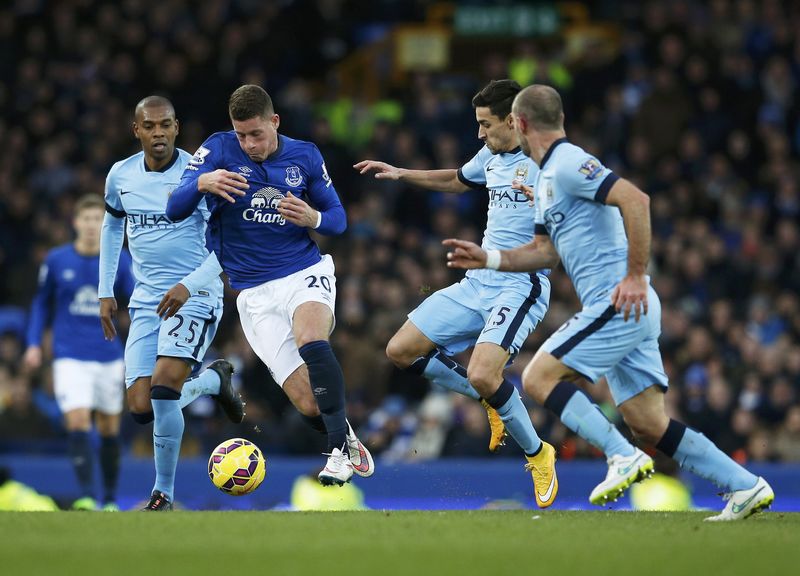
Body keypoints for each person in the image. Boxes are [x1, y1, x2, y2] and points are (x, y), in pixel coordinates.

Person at [444, 84, 775, 521]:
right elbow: (544, 252)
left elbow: (635, 199)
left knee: (539, 376)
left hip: (619, 300)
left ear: (520, 124)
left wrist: (636, 275)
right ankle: (745, 486)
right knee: (649, 424)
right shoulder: (544, 179)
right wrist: (487, 257)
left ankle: (621, 456)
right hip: (623, 307)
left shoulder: (567, 162)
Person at [354, 80, 559, 507]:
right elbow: (456, 179)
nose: (479, 134)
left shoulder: (551, 164)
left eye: (486, 125)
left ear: (513, 120)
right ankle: (491, 399)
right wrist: (401, 173)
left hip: (520, 284)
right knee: (400, 349)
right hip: (479, 280)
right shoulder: (493, 155)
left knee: (486, 373)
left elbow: (557, 250)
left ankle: (539, 454)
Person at [166, 85, 374, 486]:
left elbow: (339, 219)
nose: (248, 144)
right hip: (253, 295)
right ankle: (346, 440)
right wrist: (201, 184)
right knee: (307, 401)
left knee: (312, 338)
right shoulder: (217, 150)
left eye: (256, 134)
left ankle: (335, 455)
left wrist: (313, 217)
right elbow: (175, 208)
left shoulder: (305, 155)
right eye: (241, 135)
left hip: (302, 273)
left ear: (274, 122)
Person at [99, 96, 245, 511]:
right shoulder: (120, 175)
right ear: (137, 131)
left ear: (177, 128)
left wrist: (189, 284)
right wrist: (106, 290)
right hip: (145, 300)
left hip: (196, 296)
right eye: (150, 126)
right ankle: (214, 381)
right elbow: (112, 228)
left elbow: (229, 244)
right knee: (141, 407)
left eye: (165, 125)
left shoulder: (202, 176)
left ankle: (162, 493)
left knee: (164, 390)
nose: (158, 133)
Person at [24, 194, 135, 511]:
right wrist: (33, 344)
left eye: (97, 220)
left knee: (109, 429)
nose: (90, 226)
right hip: (69, 355)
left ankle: (111, 499)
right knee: (78, 421)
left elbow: (138, 301)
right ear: (75, 223)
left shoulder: (120, 260)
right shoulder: (57, 260)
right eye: (85, 219)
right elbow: (41, 303)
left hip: (109, 356)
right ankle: (87, 496)